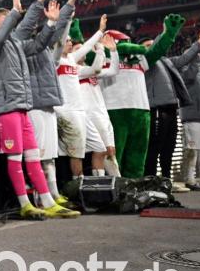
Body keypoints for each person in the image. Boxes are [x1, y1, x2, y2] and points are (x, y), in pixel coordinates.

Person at [0, 0, 80, 220]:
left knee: (33, 157)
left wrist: (52, 21)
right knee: (15, 158)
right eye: (6, 20)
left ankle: (47, 200)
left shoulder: (16, 44)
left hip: (22, 107)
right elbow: (6, 33)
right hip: (5, 108)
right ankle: (24, 203)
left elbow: (41, 43)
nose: (12, 23)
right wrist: (26, 5)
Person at [101, 14, 185, 178]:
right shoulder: (103, 59)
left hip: (141, 111)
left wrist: (168, 34)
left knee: (138, 152)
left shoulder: (139, 59)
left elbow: (157, 50)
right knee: (116, 152)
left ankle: (136, 185)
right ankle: (115, 186)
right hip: (115, 110)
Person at [25, 0, 77, 204]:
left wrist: (72, 2)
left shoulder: (44, 48)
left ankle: (53, 193)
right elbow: (51, 31)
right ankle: (40, 196)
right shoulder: (25, 47)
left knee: (51, 155)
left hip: (47, 103)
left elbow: (59, 28)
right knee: (40, 153)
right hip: (35, 104)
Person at [143, 28, 199, 180]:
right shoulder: (146, 61)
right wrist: (165, 32)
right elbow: (155, 47)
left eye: (151, 44)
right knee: (155, 148)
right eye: (148, 45)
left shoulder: (166, 61)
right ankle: (151, 180)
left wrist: (198, 44)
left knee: (169, 148)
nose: (152, 47)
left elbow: (183, 59)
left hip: (172, 109)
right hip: (156, 109)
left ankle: (166, 180)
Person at [54, 16, 106, 180]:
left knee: (100, 147)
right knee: (76, 153)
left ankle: (98, 185)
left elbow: (95, 68)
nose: (70, 43)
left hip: (81, 112)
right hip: (67, 111)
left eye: (71, 41)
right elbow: (61, 40)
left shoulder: (71, 62)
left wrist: (100, 34)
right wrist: (68, 20)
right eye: (67, 40)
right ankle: (80, 186)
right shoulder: (54, 62)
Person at [78, 33, 122, 177]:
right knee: (104, 151)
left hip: (102, 113)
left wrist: (114, 51)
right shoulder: (76, 71)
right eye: (79, 48)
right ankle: (108, 184)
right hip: (89, 115)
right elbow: (96, 68)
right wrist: (100, 50)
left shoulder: (89, 71)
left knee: (110, 151)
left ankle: (111, 185)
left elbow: (114, 70)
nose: (83, 50)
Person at [178, 32, 200, 190]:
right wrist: (196, 54)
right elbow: (191, 74)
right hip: (191, 117)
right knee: (192, 151)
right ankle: (190, 179)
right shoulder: (182, 71)